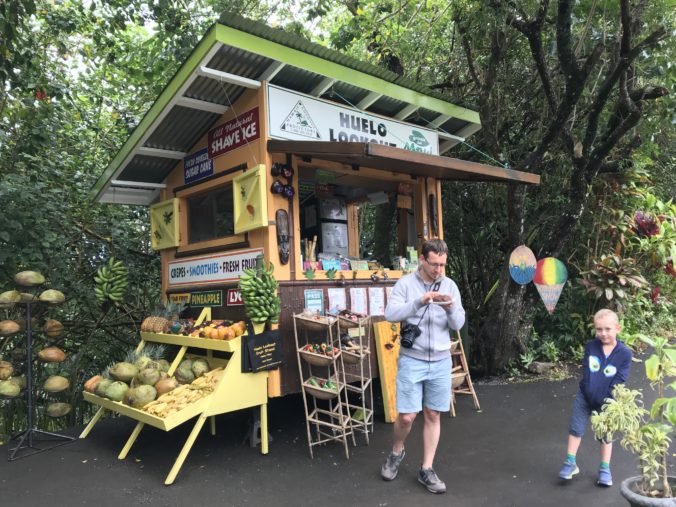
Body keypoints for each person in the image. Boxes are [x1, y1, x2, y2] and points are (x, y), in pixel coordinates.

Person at [381, 239, 465, 494]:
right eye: (434, 264)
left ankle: (426, 468)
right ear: (422, 260)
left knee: (433, 414)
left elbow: (459, 324)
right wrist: (419, 301)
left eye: (442, 265)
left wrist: (450, 308)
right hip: (412, 359)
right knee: (407, 416)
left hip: (440, 360)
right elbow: (390, 314)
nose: (439, 270)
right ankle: (396, 452)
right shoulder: (405, 284)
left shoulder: (450, 285)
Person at [558, 308, 632, 487]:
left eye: (607, 329)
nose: (603, 333)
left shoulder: (624, 353)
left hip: (607, 401)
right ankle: (570, 462)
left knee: (605, 435)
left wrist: (606, 399)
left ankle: (605, 469)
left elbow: (620, 379)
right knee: (575, 429)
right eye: (599, 329)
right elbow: (586, 370)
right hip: (584, 396)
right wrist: (588, 391)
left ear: (618, 328)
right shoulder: (591, 346)